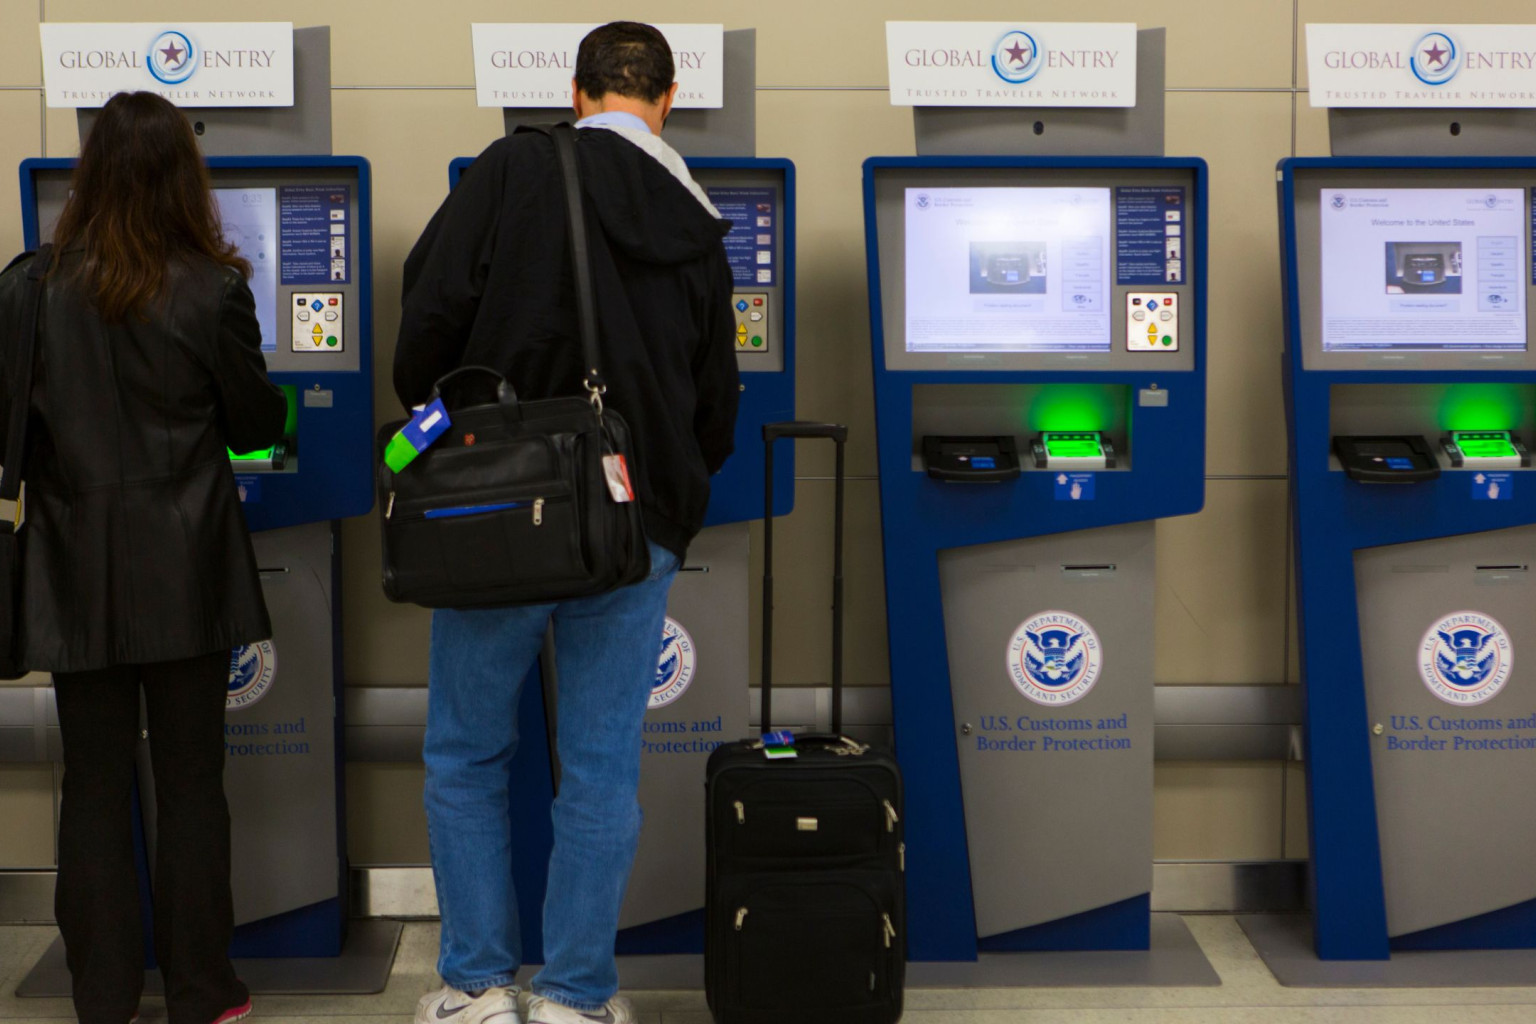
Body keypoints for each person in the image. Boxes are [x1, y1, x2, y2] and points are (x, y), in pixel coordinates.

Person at [394, 21, 740, 1024]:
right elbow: (715, 394)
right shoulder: (695, 213)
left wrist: (453, 426)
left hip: (493, 510)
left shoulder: (512, 171)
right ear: (666, 98)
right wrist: (669, 490)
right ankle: (578, 997)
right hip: (635, 519)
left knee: (466, 752)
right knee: (600, 767)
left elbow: (428, 323)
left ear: (577, 91)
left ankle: (474, 988)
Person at [0, 91, 286, 1024]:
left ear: (86, 181)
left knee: (91, 784)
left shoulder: (31, 287)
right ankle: (203, 992)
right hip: (190, 566)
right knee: (193, 786)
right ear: (182, 178)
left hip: (74, 568)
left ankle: (103, 994)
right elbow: (255, 423)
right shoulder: (213, 288)